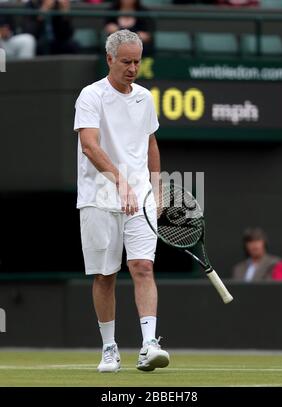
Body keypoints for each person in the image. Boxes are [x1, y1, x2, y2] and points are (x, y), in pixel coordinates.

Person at [73, 29, 169, 373]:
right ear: (109, 59)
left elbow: (150, 144)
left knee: (143, 266)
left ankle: (149, 345)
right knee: (105, 275)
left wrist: (155, 189)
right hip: (99, 198)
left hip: (140, 196)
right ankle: (110, 347)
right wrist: (120, 183)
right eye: (126, 61)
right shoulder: (90, 96)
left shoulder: (145, 97)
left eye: (137, 62)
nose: (132, 68)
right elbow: (90, 145)